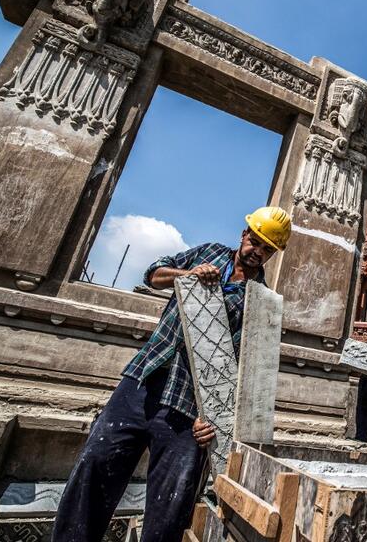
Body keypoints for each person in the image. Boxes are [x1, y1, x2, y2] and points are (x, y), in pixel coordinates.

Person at [53, 207, 292, 542]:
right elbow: (153, 274)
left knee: (170, 509)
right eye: (255, 241)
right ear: (243, 234)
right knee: (95, 470)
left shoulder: (259, 304)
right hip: (143, 381)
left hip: (188, 409)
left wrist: (212, 417)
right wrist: (188, 274)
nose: (258, 252)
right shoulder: (208, 253)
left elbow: (240, 372)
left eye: (267, 249)